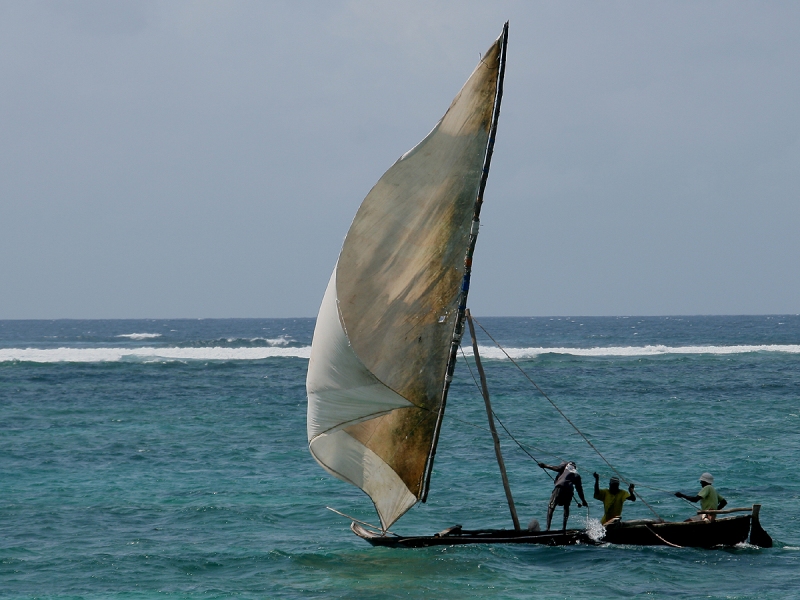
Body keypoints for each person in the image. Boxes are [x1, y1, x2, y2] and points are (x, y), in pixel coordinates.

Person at [538, 461, 588, 531]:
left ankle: (548, 528)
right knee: (566, 507)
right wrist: (583, 501)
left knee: (551, 507)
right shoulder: (577, 475)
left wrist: (545, 465)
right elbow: (579, 490)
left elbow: (557, 469)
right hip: (569, 490)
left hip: (559, 488)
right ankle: (564, 528)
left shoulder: (565, 466)